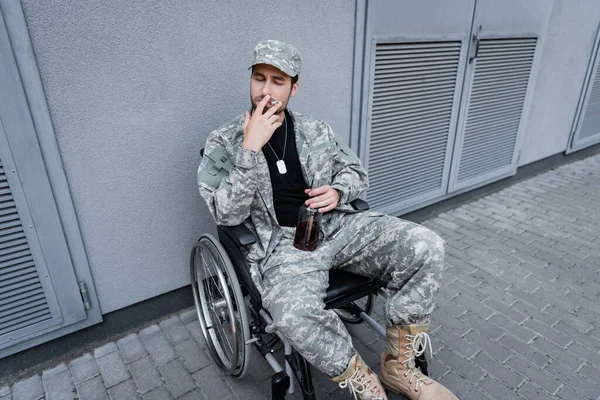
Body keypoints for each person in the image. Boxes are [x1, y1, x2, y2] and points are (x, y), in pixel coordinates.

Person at [197, 40, 458, 400]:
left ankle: (400, 367)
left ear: (294, 87)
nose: (266, 91)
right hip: (281, 246)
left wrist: (337, 192)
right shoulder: (223, 141)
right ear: (251, 81)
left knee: (426, 247)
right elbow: (226, 214)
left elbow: (355, 171)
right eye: (260, 79)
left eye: (278, 81)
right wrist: (249, 149)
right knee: (292, 315)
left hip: (334, 226)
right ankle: (364, 382)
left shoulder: (315, 130)